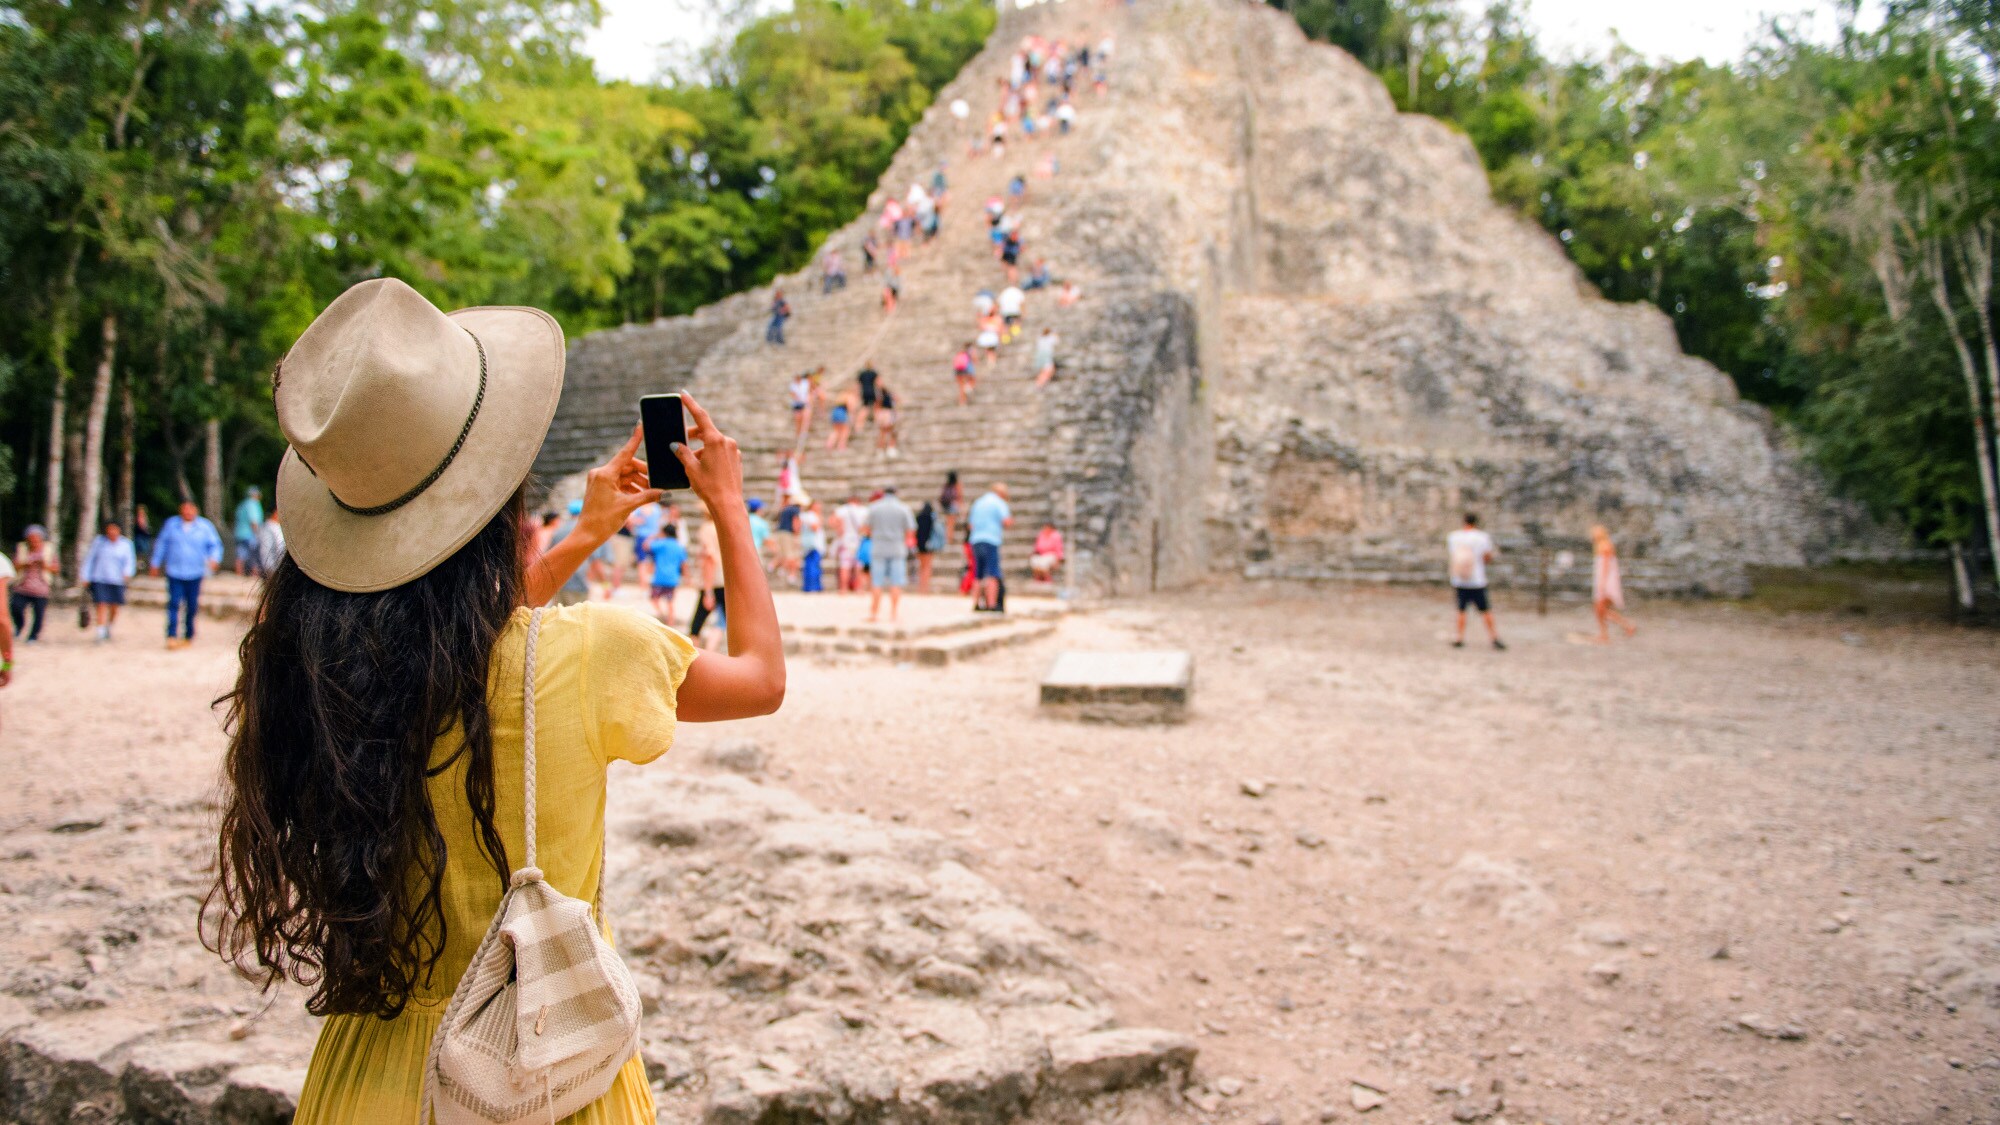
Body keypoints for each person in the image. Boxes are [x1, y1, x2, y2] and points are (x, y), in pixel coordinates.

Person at [200, 278, 782, 1125]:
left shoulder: (314, 663)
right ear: (499, 493)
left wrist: (586, 530)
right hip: (545, 1071)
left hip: (371, 1070)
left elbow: (458, 634)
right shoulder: (589, 654)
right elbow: (762, 678)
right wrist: (729, 506)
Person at [149, 501, 223, 648]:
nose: (188, 512)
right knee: (174, 603)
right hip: (174, 570)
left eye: (191, 509)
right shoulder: (171, 524)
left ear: (196, 510)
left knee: (192, 604)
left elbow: (215, 545)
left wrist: (214, 558)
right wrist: (155, 562)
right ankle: (171, 635)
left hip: (195, 571)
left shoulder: (205, 526)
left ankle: (188, 634)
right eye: (185, 509)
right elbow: (162, 544)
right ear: (180, 510)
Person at [1447, 512, 1505, 650]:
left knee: (1461, 610)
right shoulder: (1482, 537)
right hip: (1477, 580)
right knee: (1485, 610)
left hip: (1460, 579)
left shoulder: (1454, 537)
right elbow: (1487, 557)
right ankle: (1494, 637)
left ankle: (1459, 637)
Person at [81, 520, 138, 642]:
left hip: (117, 579)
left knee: (114, 606)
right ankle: (100, 631)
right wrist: (85, 575)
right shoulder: (99, 542)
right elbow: (90, 559)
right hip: (100, 578)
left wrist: (127, 573)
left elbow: (130, 561)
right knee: (101, 604)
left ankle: (109, 627)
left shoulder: (125, 544)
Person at [865, 486, 915, 624]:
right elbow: (910, 530)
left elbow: (866, 529)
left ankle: (874, 613)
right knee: (896, 581)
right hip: (897, 547)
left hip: (878, 547)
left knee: (877, 581)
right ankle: (894, 613)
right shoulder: (903, 508)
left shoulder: (874, 508)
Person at [968, 482, 1013, 611]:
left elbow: (970, 525)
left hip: (976, 539)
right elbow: (1006, 520)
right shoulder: (998, 503)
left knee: (978, 574)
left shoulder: (978, 502)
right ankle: (992, 604)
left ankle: (976, 603)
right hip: (991, 539)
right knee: (992, 573)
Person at [9, 525, 57, 644]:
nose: (34, 541)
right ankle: (19, 625)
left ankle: (33, 636)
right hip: (22, 586)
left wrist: (44, 565)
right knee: (16, 607)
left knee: (39, 614)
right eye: (31, 539)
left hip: (41, 587)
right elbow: (13, 566)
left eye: (36, 539)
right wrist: (26, 564)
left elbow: (56, 568)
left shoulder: (48, 550)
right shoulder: (22, 549)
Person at [1590, 524, 1638, 643]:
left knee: (1600, 608)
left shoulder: (1605, 547)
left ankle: (1610, 632)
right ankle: (1622, 628)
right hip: (1604, 580)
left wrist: (1602, 583)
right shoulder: (1601, 546)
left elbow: (1605, 566)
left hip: (1606, 582)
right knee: (1601, 610)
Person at [686, 517, 728, 649]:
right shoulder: (723, 527)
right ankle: (710, 651)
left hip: (714, 582)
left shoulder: (707, 529)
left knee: (696, 626)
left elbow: (709, 559)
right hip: (725, 581)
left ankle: (700, 657)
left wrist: (708, 592)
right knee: (722, 621)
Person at [544, 500, 592, 606]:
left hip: (559, 583)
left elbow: (549, 557)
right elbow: (596, 560)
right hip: (580, 583)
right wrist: (604, 584)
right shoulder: (588, 530)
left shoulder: (559, 530)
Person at [644, 524, 688, 628]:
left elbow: (646, 546)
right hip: (673, 578)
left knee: (654, 598)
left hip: (660, 577)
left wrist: (653, 536)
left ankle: (663, 617)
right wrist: (687, 577)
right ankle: (670, 622)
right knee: (670, 602)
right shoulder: (679, 546)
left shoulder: (661, 544)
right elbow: (684, 564)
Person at [835, 493, 869, 592]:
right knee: (859, 566)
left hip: (845, 540)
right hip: (859, 540)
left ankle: (843, 588)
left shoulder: (842, 510)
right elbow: (866, 527)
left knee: (844, 565)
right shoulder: (863, 510)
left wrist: (840, 532)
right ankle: (859, 588)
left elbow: (835, 522)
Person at [233, 486, 266, 576]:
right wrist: (258, 534)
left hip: (239, 533)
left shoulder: (242, 504)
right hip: (249, 534)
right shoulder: (253, 504)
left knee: (240, 555)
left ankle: (238, 574)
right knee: (254, 555)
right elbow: (253, 521)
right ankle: (254, 575)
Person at [799, 498, 827, 593]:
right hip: (812, 544)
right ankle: (812, 586)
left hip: (813, 543)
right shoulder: (810, 516)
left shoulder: (810, 515)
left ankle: (813, 585)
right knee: (812, 567)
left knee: (813, 566)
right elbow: (814, 527)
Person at [914, 500, 941, 594]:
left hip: (919, 545)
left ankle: (920, 588)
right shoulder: (932, 518)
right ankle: (926, 588)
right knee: (927, 567)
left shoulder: (918, 517)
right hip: (929, 544)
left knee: (921, 567)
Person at [257, 509, 287, 575]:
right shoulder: (274, 528)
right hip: (273, 566)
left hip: (266, 564)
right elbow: (280, 547)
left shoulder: (266, 526)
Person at [938, 470, 964, 542]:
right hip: (953, 505)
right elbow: (959, 496)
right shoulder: (957, 485)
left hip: (946, 505)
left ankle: (947, 536)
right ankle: (949, 537)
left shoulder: (946, 484)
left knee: (948, 521)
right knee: (951, 523)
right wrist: (961, 507)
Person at [875, 384, 900, 457]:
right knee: (892, 432)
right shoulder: (889, 396)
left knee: (882, 433)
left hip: (882, 414)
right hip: (888, 413)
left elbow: (877, 406)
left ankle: (880, 449)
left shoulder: (879, 397)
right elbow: (898, 400)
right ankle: (890, 448)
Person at [856, 363, 881, 429]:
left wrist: (858, 394)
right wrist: (880, 393)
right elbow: (878, 383)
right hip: (872, 392)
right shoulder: (874, 373)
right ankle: (877, 423)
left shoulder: (862, 374)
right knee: (876, 407)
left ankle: (859, 425)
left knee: (865, 407)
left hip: (864, 392)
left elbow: (858, 384)